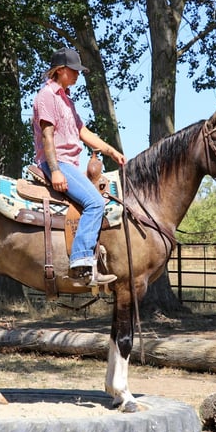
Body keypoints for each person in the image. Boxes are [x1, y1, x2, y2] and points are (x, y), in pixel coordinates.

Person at [32, 47, 127, 286]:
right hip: (58, 162)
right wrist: (54, 170)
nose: (77, 75)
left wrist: (111, 150)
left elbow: (82, 132)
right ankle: (81, 262)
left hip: (70, 163)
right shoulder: (47, 96)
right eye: (74, 70)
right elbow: (47, 136)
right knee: (95, 202)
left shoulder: (66, 100)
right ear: (60, 70)